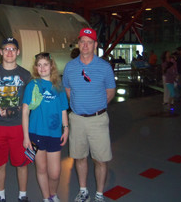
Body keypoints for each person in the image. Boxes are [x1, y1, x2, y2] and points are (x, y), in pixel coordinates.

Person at [62, 27, 116, 202]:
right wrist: (80, 106)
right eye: (82, 42)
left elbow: (110, 91)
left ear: (95, 45)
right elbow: (68, 90)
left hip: (98, 120)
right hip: (77, 119)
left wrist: (96, 107)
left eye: (89, 42)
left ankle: (99, 193)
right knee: (79, 157)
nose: (85, 45)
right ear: (78, 44)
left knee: (101, 159)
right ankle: (83, 190)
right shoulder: (70, 67)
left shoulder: (104, 67)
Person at [0, 37, 32, 202]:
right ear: (1, 52)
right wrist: (1, 111)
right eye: (6, 49)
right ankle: (1, 195)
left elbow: (28, 103)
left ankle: (23, 196)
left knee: (22, 164)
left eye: (13, 49)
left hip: (19, 127)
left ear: (18, 52)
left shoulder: (26, 75)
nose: (9, 52)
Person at [22, 52, 69, 202]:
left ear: (51, 66)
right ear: (36, 67)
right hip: (36, 133)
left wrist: (66, 128)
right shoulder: (32, 85)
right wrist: (26, 137)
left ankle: (53, 194)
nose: (42, 68)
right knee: (41, 169)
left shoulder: (58, 86)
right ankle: (46, 197)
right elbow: (25, 111)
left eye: (45, 64)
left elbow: (63, 109)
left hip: (54, 133)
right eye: (39, 65)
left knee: (54, 173)